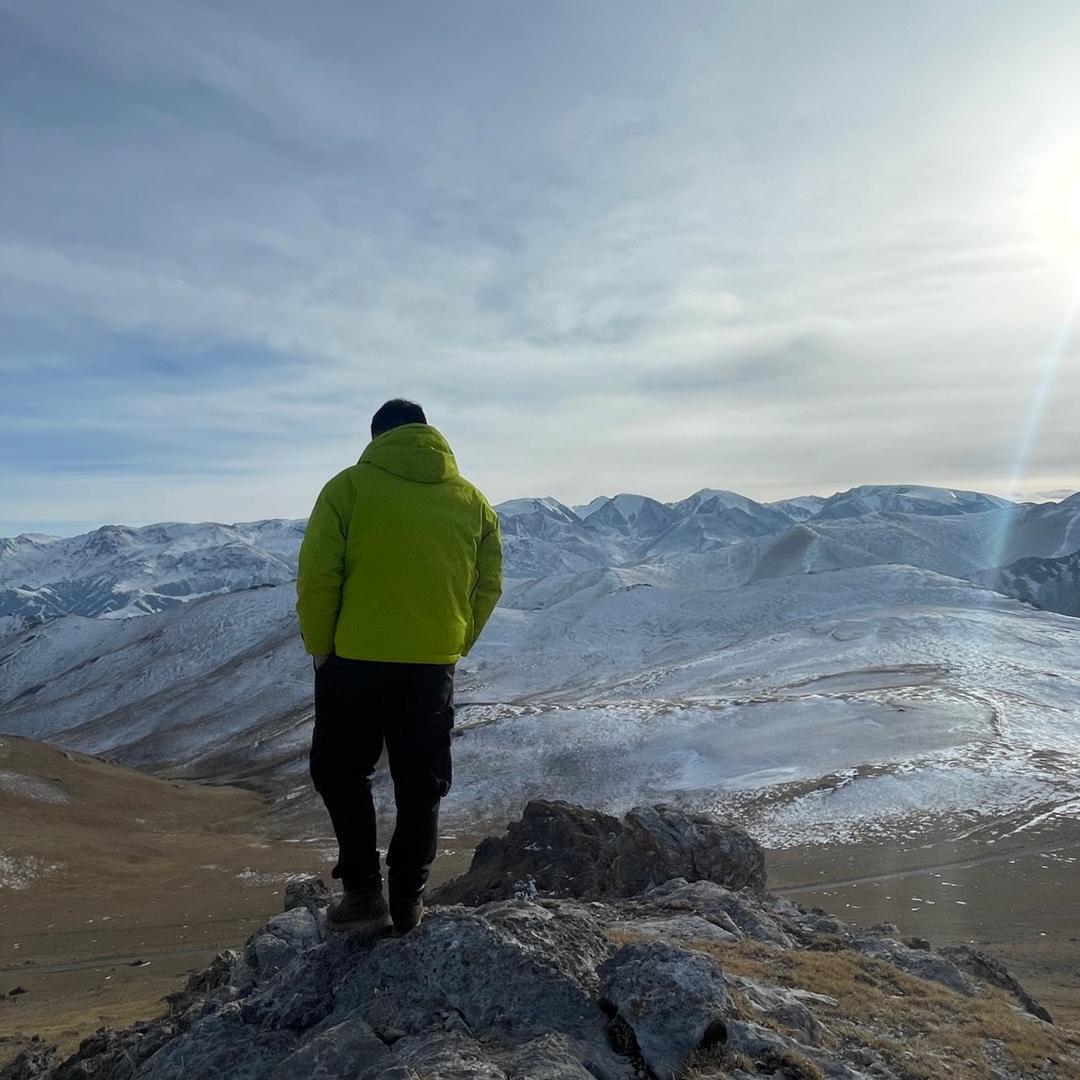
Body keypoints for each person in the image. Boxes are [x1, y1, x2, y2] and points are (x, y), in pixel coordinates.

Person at [296, 399, 502, 933]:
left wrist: (321, 647)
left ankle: (363, 894)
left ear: (376, 437)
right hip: (430, 668)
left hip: (354, 662)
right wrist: (454, 643)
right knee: (421, 782)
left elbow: (319, 577)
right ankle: (409, 901)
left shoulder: (347, 489)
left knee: (340, 771)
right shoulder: (473, 502)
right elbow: (488, 585)